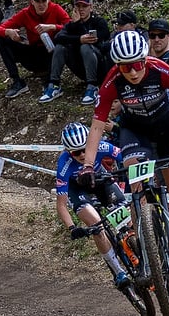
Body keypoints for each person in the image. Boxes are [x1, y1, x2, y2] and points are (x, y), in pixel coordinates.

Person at [78, 30, 169, 291]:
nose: (133, 72)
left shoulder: (161, 69)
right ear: (117, 66)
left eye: (138, 64)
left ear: (145, 59)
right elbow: (96, 126)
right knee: (137, 191)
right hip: (135, 133)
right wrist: (87, 165)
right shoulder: (112, 81)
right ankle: (147, 258)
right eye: (125, 67)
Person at [54, 122, 131, 290]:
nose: (82, 155)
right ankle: (118, 272)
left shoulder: (101, 146)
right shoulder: (64, 164)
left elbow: (126, 160)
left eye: (85, 148)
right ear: (68, 152)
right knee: (96, 225)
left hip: (101, 181)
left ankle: (144, 256)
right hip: (78, 191)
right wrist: (72, 228)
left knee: (127, 221)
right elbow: (61, 204)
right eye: (76, 152)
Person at [0, 0, 70, 99]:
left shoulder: (56, 9)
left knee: (62, 39)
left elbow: (71, 27)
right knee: (2, 39)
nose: (41, 4)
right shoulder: (25, 13)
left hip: (53, 53)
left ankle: (52, 81)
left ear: (48, 0)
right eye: (38, 1)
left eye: (44, 1)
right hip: (34, 53)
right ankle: (17, 81)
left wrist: (52, 27)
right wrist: (8, 32)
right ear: (32, 2)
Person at [42, 0, 111, 105]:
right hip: (80, 67)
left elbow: (102, 37)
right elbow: (58, 38)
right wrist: (79, 37)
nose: (81, 10)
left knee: (85, 46)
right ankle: (54, 84)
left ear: (90, 7)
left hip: (98, 67)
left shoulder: (99, 22)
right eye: (78, 6)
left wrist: (81, 32)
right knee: (60, 47)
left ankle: (92, 87)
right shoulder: (71, 25)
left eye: (84, 6)